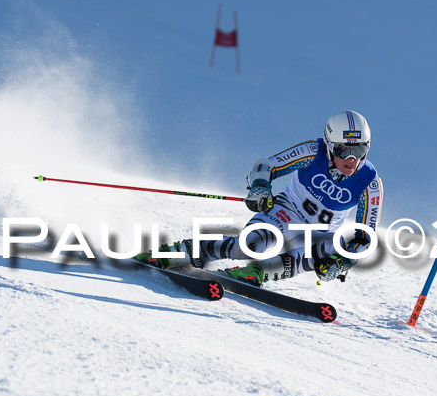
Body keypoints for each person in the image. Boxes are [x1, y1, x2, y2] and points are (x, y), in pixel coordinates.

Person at [136, 110, 383, 286]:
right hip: (286, 212)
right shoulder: (312, 152)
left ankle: (258, 273)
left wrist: (342, 263)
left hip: (317, 233)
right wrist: (260, 188)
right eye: (344, 150)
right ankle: (180, 252)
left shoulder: (370, 183)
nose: (351, 160)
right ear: (330, 145)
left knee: (333, 247)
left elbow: (365, 238)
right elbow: (267, 165)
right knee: (251, 245)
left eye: (359, 150)